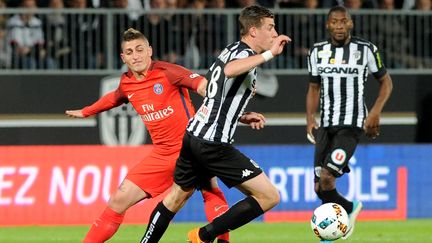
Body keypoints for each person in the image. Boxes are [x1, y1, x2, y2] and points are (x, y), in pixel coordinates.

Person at [139, 5, 291, 243]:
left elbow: (215, 91)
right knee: (269, 196)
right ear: (253, 31)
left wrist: (239, 115)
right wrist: (270, 54)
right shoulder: (243, 57)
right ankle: (203, 235)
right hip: (213, 143)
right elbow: (230, 71)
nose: (274, 34)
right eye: (270, 28)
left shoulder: (232, 49)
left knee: (176, 198)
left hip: (194, 136)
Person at [65, 28, 231, 243]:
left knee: (210, 189)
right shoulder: (127, 83)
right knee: (118, 199)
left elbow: (203, 86)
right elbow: (114, 98)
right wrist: (87, 111)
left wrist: (232, 108)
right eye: (130, 52)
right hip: (162, 155)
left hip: (192, 147)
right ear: (123, 57)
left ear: (150, 51)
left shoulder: (169, 71)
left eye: (140, 50)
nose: (135, 56)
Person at [306, 6, 393, 243]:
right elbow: (313, 88)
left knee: (326, 177)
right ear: (328, 25)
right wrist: (309, 119)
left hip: (352, 125)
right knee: (318, 187)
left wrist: (374, 113)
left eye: (344, 21)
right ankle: (342, 218)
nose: (340, 26)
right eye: (335, 22)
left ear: (351, 24)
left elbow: (386, 83)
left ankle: (341, 220)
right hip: (325, 124)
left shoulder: (366, 50)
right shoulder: (316, 52)